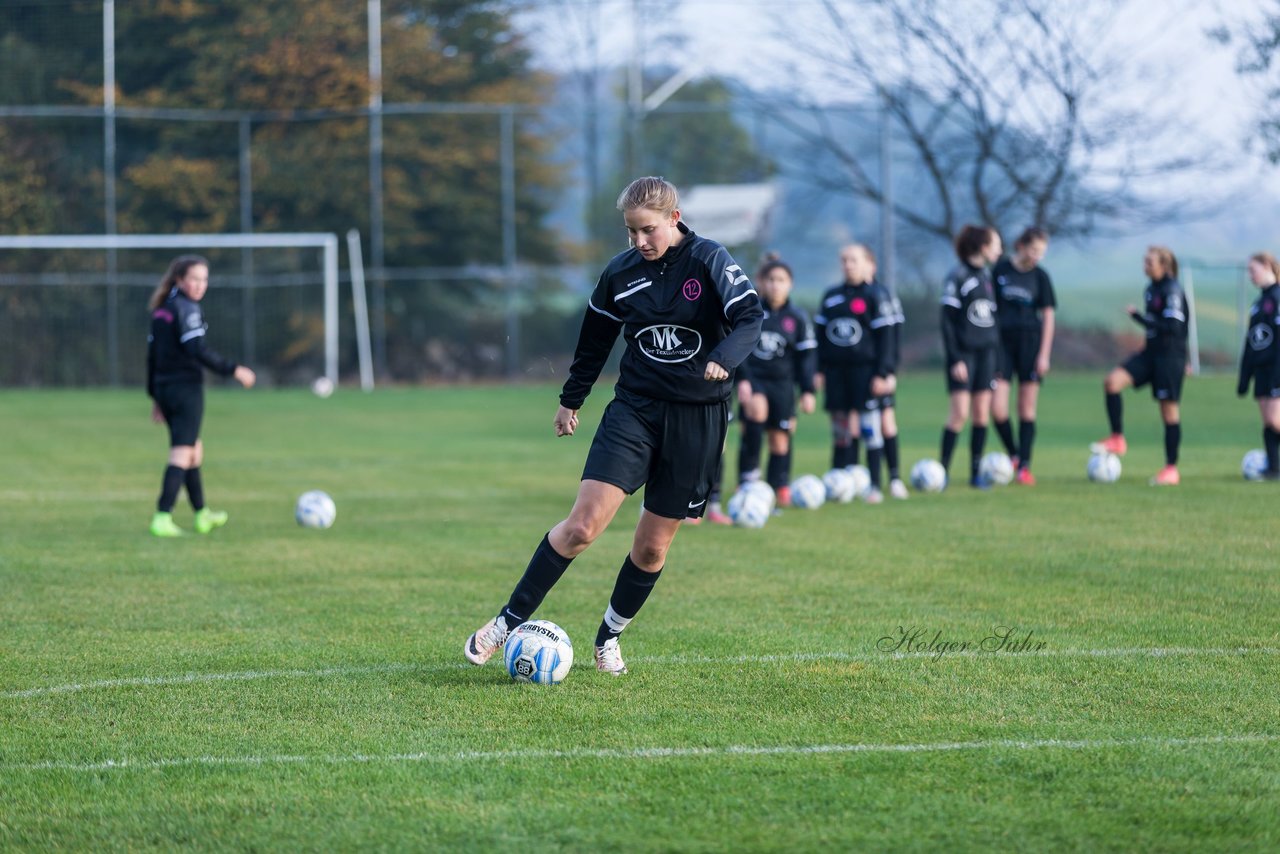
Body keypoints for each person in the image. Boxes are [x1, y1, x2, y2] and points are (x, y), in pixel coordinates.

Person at [463, 177, 762, 676]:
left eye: (648, 230)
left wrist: (724, 358)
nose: (639, 242)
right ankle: (505, 622)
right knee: (581, 526)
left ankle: (609, 637)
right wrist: (570, 400)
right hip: (636, 410)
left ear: (675, 217)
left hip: (698, 418)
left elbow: (750, 316)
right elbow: (595, 341)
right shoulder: (621, 273)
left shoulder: (710, 260)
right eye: (630, 232)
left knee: (651, 547)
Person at [146, 255, 256, 536]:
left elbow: (152, 357)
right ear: (179, 280)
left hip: (166, 388)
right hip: (185, 390)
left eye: (204, 279)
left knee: (194, 451)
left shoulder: (162, 310)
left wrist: (155, 396)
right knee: (182, 453)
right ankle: (162, 516)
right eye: (194, 278)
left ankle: (201, 514)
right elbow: (197, 349)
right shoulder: (186, 308)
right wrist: (234, 370)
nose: (199, 285)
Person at [1092, 246, 1190, 486]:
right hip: (1150, 354)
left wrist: (1139, 317)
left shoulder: (1172, 290)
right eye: (1144, 261)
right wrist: (1143, 320)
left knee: (1169, 413)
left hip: (1170, 358)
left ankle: (1171, 469)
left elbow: (1173, 327)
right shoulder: (1151, 289)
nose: (1145, 266)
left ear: (1164, 265)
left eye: (1149, 262)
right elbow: (1156, 325)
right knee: (1112, 382)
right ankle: (1117, 438)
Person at [814, 243, 896, 503]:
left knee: (870, 427)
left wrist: (883, 372)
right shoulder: (831, 296)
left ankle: (875, 484)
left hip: (865, 371)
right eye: (845, 260)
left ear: (866, 264)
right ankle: (837, 481)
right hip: (837, 372)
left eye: (854, 260)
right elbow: (820, 337)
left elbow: (886, 338)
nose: (848, 265)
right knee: (840, 428)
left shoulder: (876, 296)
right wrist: (818, 370)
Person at [736, 255, 817, 507]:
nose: (775, 285)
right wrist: (744, 380)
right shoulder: (752, 312)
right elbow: (739, 349)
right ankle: (748, 482)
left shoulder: (798, 318)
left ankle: (777, 486)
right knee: (755, 419)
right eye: (771, 280)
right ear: (761, 282)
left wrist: (807, 390)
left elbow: (807, 358)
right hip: (756, 379)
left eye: (781, 280)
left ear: (790, 284)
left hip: (783, 384)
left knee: (780, 438)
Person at [990, 227, 1056, 485]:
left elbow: (1048, 317)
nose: (1037, 256)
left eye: (1042, 252)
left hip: (1031, 345)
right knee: (997, 409)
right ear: (1022, 246)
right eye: (1034, 250)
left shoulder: (1041, 277)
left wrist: (1044, 354)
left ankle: (1024, 466)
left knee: (1026, 409)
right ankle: (1014, 454)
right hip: (1002, 346)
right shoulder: (1001, 270)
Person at [939, 225, 1002, 488]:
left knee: (981, 414)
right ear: (983, 247)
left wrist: (998, 360)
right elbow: (947, 322)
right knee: (959, 414)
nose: (1000, 249)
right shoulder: (958, 277)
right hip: (964, 355)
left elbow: (993, 321)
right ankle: (941, 472)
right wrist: (955, 358)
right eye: (996, 244)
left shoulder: (988, 276)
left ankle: (976, 473)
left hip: (986, 354)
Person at [1236, 251, 1280, 479]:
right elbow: (1251, 342)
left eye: (1253, 270)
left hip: (1276, 369)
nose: (1250, 276)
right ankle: (1274, 469)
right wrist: (1244, 377)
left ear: (1266, 266)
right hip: (1261, 370)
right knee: (1268, 421)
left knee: (1276, 419)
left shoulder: (1278, 297)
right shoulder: (1258, 303)